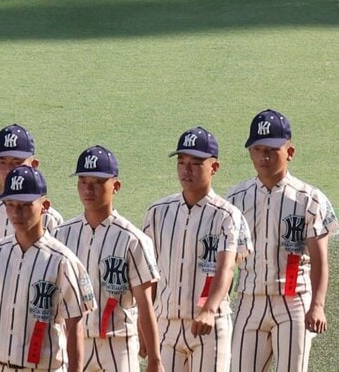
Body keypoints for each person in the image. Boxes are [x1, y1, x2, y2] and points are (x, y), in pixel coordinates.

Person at [227, 110, 334, 372]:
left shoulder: (310, 199)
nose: (263, 157)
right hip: (249, 300)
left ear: (290, 152)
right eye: (258, 149)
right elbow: (227, 258)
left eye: (272, 150)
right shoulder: (235, 198)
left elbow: (320, 260)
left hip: (294, 300)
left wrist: (317, 306)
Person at [142, 128, 250, 372]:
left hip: (210, 327)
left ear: (214, 167)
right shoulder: (157, 212)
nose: (186, 170)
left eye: (196, 163)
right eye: (182, 162)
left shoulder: (227, 216)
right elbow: (149, 274)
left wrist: (209, 310)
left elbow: (227, 267)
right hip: (166, 326)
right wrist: (144, 323)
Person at [0, 165, 95, 372]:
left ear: (44, 205)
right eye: (10, 204)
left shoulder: (63, 261)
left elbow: (75, 326)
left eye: (25, 205)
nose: (16, 213)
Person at [56, 146, 162, 372]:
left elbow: (145, 305)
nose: (88, 188)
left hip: (119, 343)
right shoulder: (61, 235)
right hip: (74, 341)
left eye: (97, 182)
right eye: (83, 181)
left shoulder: (133, 239)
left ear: (116, 186)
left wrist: (154, 358)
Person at [0, 124, 65, 239]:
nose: (9, 169)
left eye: (17, 162)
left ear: (34, 165)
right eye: (2, 162)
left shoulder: (51, 220)